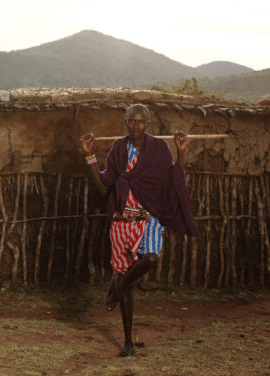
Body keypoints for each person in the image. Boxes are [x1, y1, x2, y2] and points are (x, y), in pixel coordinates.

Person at [81, 103, 198, 357]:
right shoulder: (118, 148)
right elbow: (103, 188)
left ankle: (119, 285)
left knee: (151, 258)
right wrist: (89, 155)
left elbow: (175, 178)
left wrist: (181, 152)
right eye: (131, 121)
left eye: (140, 122)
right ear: (125, 122)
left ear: (148, 124)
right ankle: (128, 343)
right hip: (122, 222)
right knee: (129, 285)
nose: (135, 126)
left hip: (149, 219)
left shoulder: (159, 149)